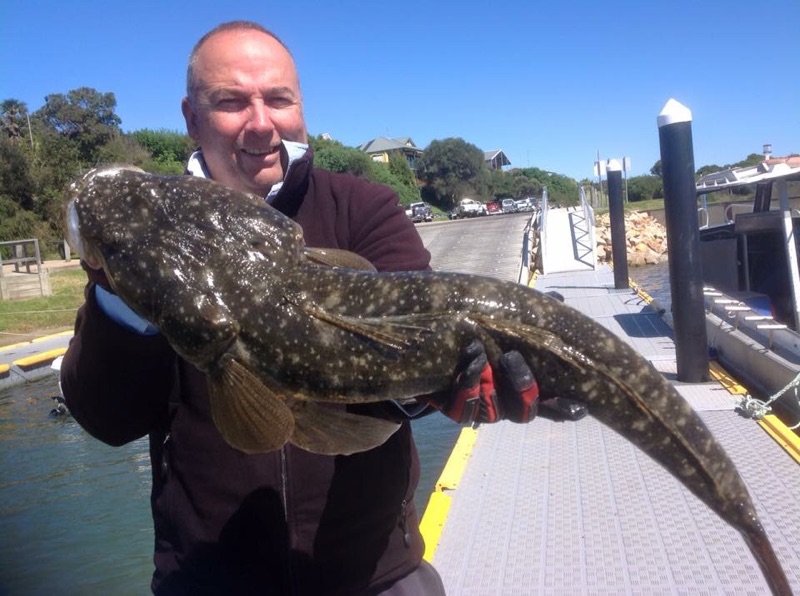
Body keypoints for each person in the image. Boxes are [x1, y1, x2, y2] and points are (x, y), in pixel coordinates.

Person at [62, 21, 584, 595]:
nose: (260, 123)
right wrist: (121, 288)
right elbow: (107, 421)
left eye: (278, 99)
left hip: (375, 572)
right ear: (191, 117)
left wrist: (448, 387)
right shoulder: (146, 233)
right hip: (208, 580)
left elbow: (422, 357)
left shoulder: (362, 207)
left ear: (300, 107)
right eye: (231, 102)